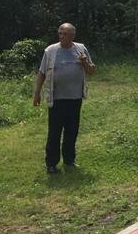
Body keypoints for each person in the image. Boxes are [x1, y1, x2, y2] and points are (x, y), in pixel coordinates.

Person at [33, 23, 96, 174]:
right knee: (54, 132)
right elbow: (42, 73)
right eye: (60, 33)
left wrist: (85, 62)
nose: (61, 36)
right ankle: (51, 164)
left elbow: (91, 71)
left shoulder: (80, 49)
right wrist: (37, 93)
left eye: (65, 34)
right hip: (57, 99)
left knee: (71, 131)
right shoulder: (51, 51)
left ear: (73, 36)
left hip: (75, 98)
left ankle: (69, 160)